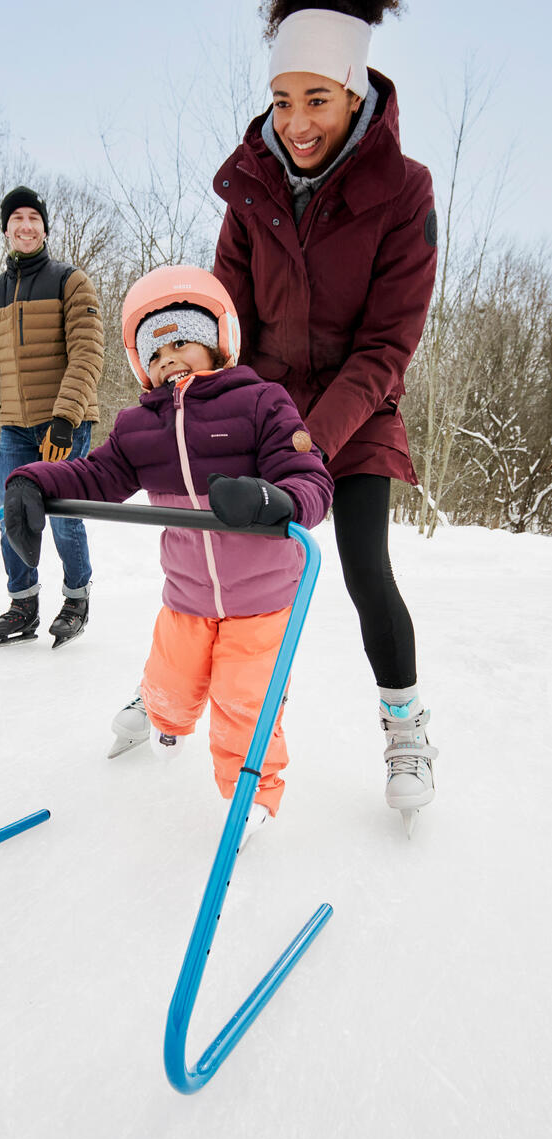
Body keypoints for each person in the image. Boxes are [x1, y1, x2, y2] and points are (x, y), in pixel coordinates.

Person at [113, 0, 440, 826]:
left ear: (354, 90)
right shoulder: (251, 183)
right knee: (206, 543)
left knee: (365, 568)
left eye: (316, 100)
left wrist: (309, 437)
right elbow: (229, 317)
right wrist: (228, 410)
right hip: (257, 402)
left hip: (358, 412)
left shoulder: (402, 192)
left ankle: (403, 725)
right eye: (282, 99)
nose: (295, 121)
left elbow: (384, 346)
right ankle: (166, 694)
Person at [3, 266, 333, 841]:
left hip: (263, 599)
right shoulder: (139, 426)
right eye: (156, 351)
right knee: (171, 685)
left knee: (245, 700)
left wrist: (275, 499)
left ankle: (250, 795)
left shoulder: (261, 403)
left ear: (215, 344)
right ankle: (165, 723)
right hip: (186, 596)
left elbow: (310, 475)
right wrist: (34, 480)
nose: (169, 357)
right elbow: (95, 474)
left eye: (182, 341)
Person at [0, 185, 104, 649]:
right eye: (16, 219)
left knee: (61, 515)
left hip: (65, 422)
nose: (25, 226)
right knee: (10, 515)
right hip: (15, 427)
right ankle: (23, 604)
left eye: (33, 218)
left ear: (44, 227)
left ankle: (76, 598)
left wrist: (65, 415)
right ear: (5, 230)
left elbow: (88, 352)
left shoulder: (69, 281)